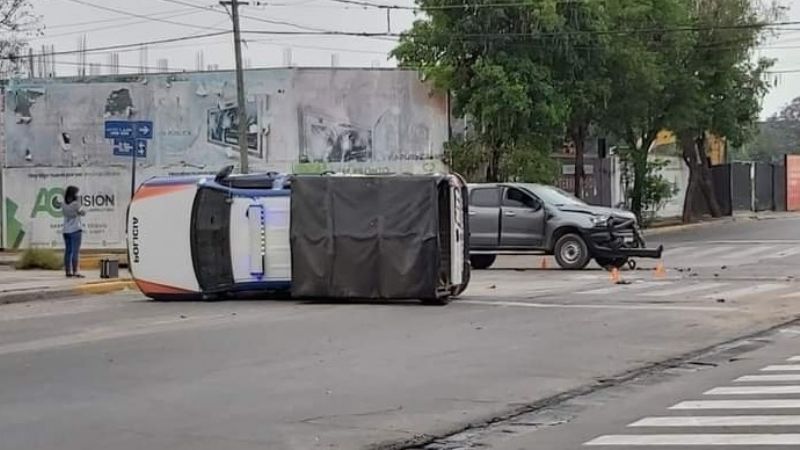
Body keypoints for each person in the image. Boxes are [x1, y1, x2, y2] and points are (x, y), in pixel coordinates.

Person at [62, 185, 85, 278]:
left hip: (66, 230)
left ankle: (68, 271)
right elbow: (83, 212)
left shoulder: (63, 204)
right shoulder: (76, 204)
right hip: (75, 230)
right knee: (75, 251)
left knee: (68, 251)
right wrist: (80, 202)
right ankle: (75, 271)